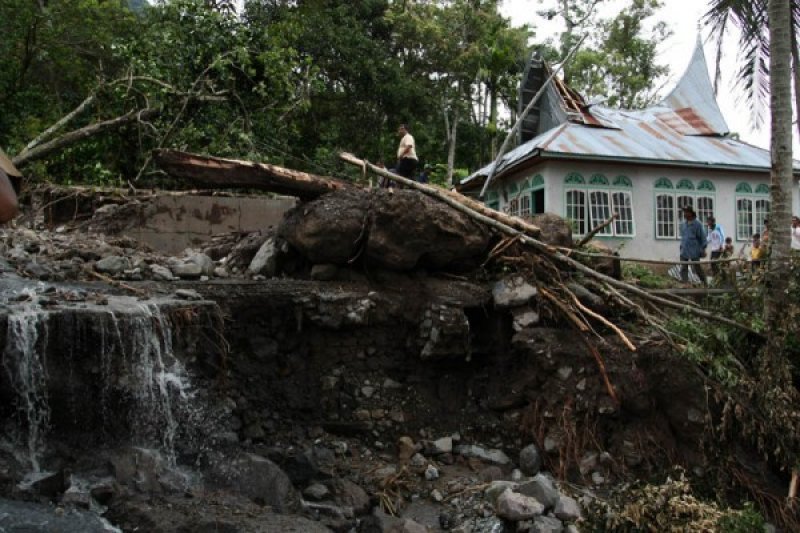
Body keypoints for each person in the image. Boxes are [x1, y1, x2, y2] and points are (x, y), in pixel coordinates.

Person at [679, 206, 707, 285]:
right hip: (684, 249)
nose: (685, 214)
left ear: (691, 213)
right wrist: (681, 246)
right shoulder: (683, 224)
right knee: (683, 267)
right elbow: (683, 236)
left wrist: (703, 249)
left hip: (694, 249)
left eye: (687, 212)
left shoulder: (697, 224)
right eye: (684, 212)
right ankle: (685, 284)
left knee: (696, 268)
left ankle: (704, 283)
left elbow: (703, 237)